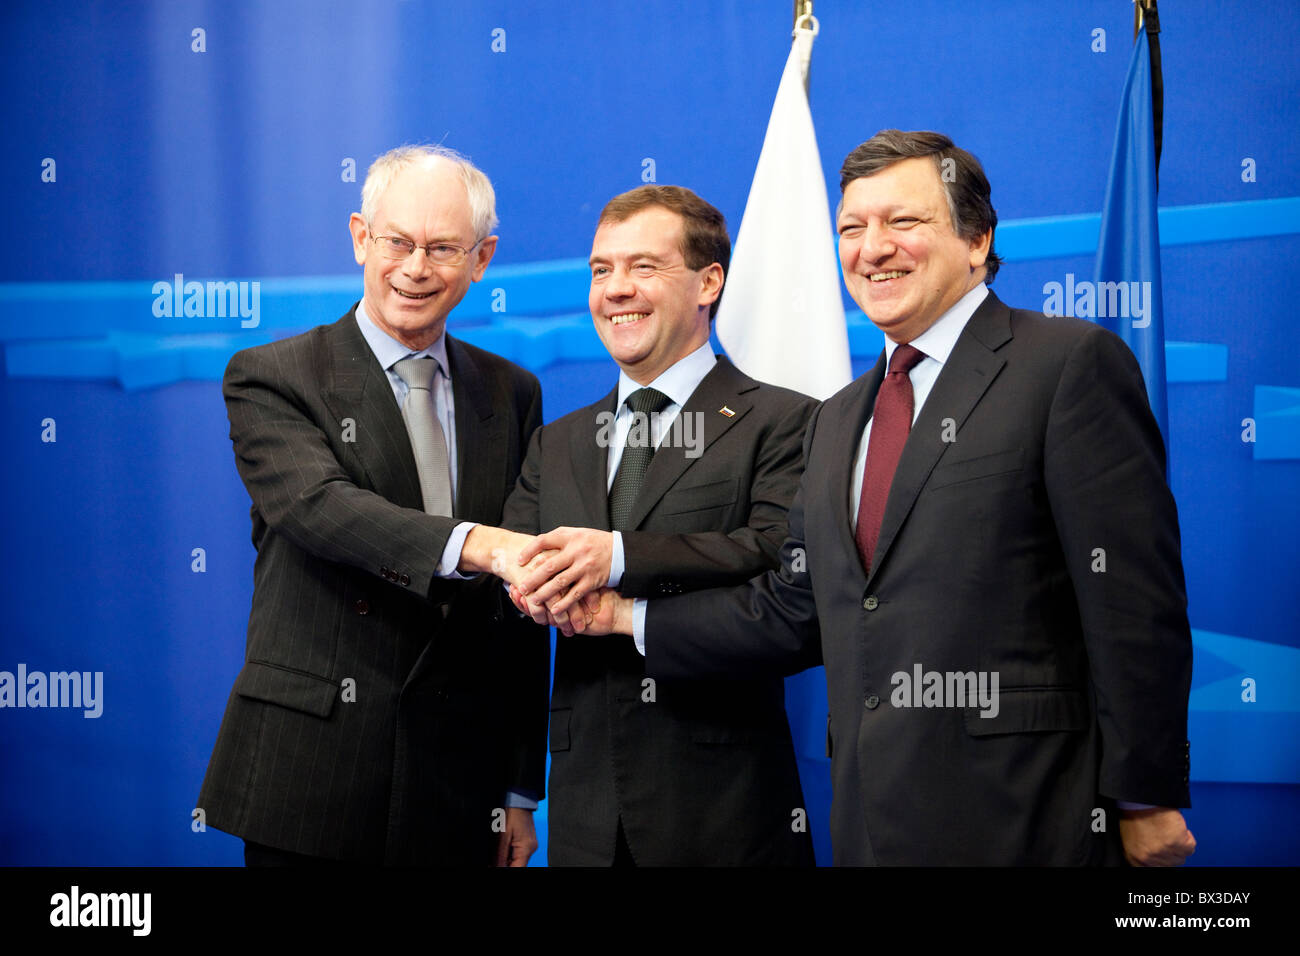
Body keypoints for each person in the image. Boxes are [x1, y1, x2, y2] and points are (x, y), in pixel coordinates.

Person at [576, 131, 1196, 866]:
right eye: (852, 228)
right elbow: (793, 608)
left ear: (976, 240)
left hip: (1031, 813)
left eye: (903, 222)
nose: (872, 248)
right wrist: (627, 617)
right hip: (872, 821)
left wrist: (1146, 794)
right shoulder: (837, 417)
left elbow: (1131, 598)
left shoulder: (1065, 365)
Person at [198, 145, 549, 866]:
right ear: (361, 237)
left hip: (460, 781)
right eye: (397, 241)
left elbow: (513, 615)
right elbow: (320, 509)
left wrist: (518, 788)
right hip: (315, 774)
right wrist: (479, 544)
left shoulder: (512, 394)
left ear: (481, 259)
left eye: (443, 248)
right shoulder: (273, 377)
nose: (415, 268)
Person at [461, 186, 817, 865]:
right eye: (601, 270)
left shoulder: (785, 421)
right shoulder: (558, 442)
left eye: (643, 267)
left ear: (709, 281)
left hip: (727, 813)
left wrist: (619, 558)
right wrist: (525, 586)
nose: (616, 290)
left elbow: (777, 560)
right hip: (586, 818)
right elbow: (510, 608)